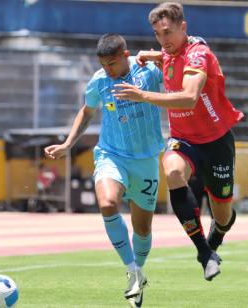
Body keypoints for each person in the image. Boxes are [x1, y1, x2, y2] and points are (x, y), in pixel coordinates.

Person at [113, 2, 243, 281]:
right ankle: (204, 253)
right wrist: (151, 54)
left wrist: (143, 95)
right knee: (172, 171)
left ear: (183, 27)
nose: (164, 39)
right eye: (158, 34)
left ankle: (218, 233)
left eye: (168, 32)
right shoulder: (169, 50)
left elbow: (189, 97)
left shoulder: (199, 54)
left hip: (216, 141)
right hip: (183, 139)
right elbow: (167, 55)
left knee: (222, 215)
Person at [45, 33, 164, 307]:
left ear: (126, 55)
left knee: (142, 228)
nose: (108, 70)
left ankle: (139, 271)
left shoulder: (147, 70)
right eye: (103, 64)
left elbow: (177, 72)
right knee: (108, 203)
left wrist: (159, 56)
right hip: (112, 154)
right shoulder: (100, 80)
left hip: (146, 159)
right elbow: (87, 112)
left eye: (112, 64)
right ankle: (131, 269)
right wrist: (67, 143)